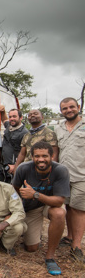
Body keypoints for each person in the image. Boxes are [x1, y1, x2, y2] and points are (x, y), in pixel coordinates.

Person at [12, 142, 70, 275]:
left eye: (45, 156)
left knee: (59, 213)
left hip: (50, 204)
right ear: (32, 157)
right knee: (31, 248)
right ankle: (33, 232)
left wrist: (35, 195)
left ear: (52, 156)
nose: (41, 159)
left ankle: (50, 257)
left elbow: (60, 200)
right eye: (37, 156)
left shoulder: (61, 170)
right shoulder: (23, 168)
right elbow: (14, 189)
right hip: (31, 208)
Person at [55, 97, 85, 262]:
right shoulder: (59, 128)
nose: (68, 110)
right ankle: (69, 236)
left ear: (78, 107)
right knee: (67, 206)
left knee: (79, 208)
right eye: (65, 108)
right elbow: (56, 151)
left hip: (81, 175)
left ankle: (77, 246)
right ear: (61, 111)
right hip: (64, 176)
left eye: (71, 107)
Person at [0, 106, 29, 182]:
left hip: (14, 167)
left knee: (13, 190)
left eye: (14, 116)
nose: (12, 119)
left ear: (21, 118)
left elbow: (25, 152)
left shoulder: (25, 133)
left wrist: (16, 165)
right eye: (10, 117)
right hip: (4, 165)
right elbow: (4, 120)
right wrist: (3, 111)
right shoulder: (9, 126)